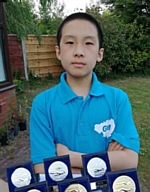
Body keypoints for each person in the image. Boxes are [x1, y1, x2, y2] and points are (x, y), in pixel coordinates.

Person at [30, 12, 140, 175]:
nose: (79, 51)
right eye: (69, 42)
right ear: (58, 52)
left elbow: (129, 161)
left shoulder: (117, 99)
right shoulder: (43, 104)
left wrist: (69, 157)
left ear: (99, 54)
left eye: (88, 43)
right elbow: (42, 170)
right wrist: (108, 161)